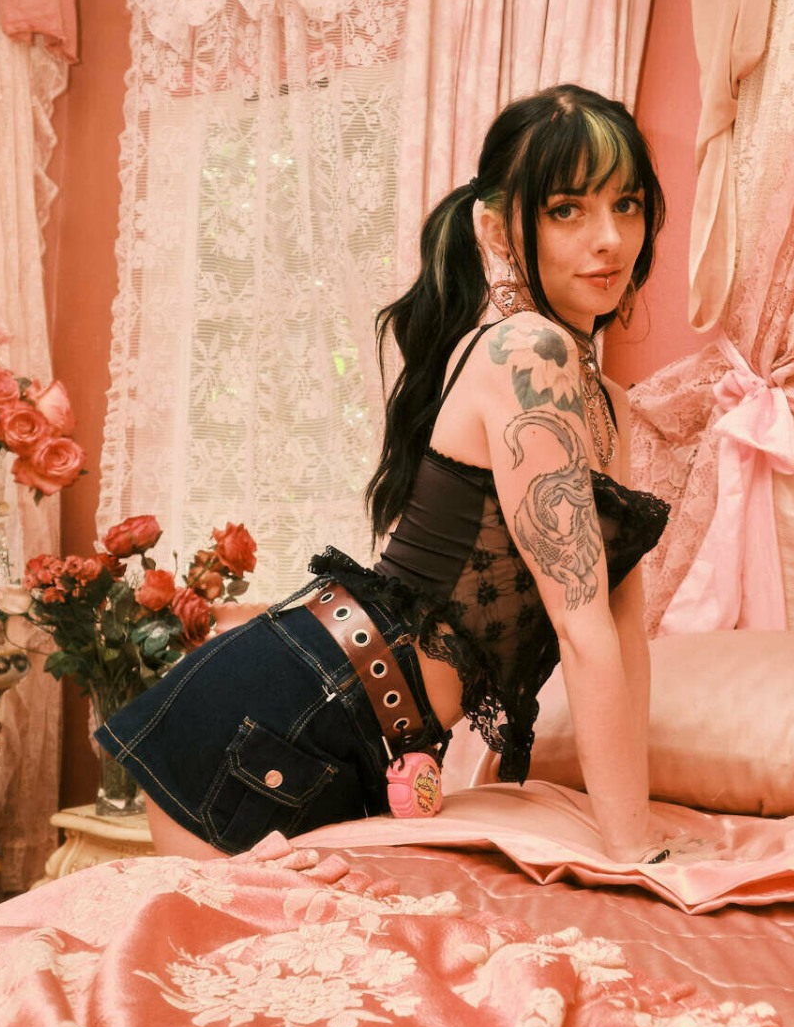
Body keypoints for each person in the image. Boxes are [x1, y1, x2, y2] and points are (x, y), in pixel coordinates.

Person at [95, 84, 671, 865]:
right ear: (497, 227)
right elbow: (579, 627)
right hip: (273, 716)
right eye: (567, 209)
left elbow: (620, 626)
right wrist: (633, 850)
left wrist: (639, 830)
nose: (609, 238)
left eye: (627, 204)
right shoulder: (524, 351)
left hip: (356, 736)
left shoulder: (606, 402)